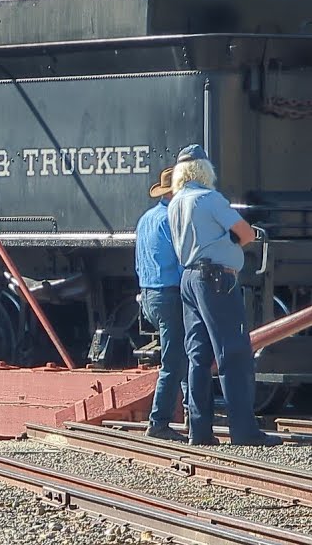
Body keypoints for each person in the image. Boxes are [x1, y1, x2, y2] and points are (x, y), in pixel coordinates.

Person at [167, 145, 281, 447]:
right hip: (217, 279)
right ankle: (244, 431)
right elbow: (246, 233)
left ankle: (199, 431)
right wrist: (229, 242)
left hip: (189, 279)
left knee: (198, 356)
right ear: (205, 170)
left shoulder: (175, 202)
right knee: (234, 353)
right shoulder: (210, 198)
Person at [134, 167, 187, 442]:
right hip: (169, 293)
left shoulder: (146, 219)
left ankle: (188, 411)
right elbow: (181, 261)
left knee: (179, 354)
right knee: (174, 361)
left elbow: (138, 262)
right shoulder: (172, 219)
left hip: (149, 293)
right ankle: (159, 421)